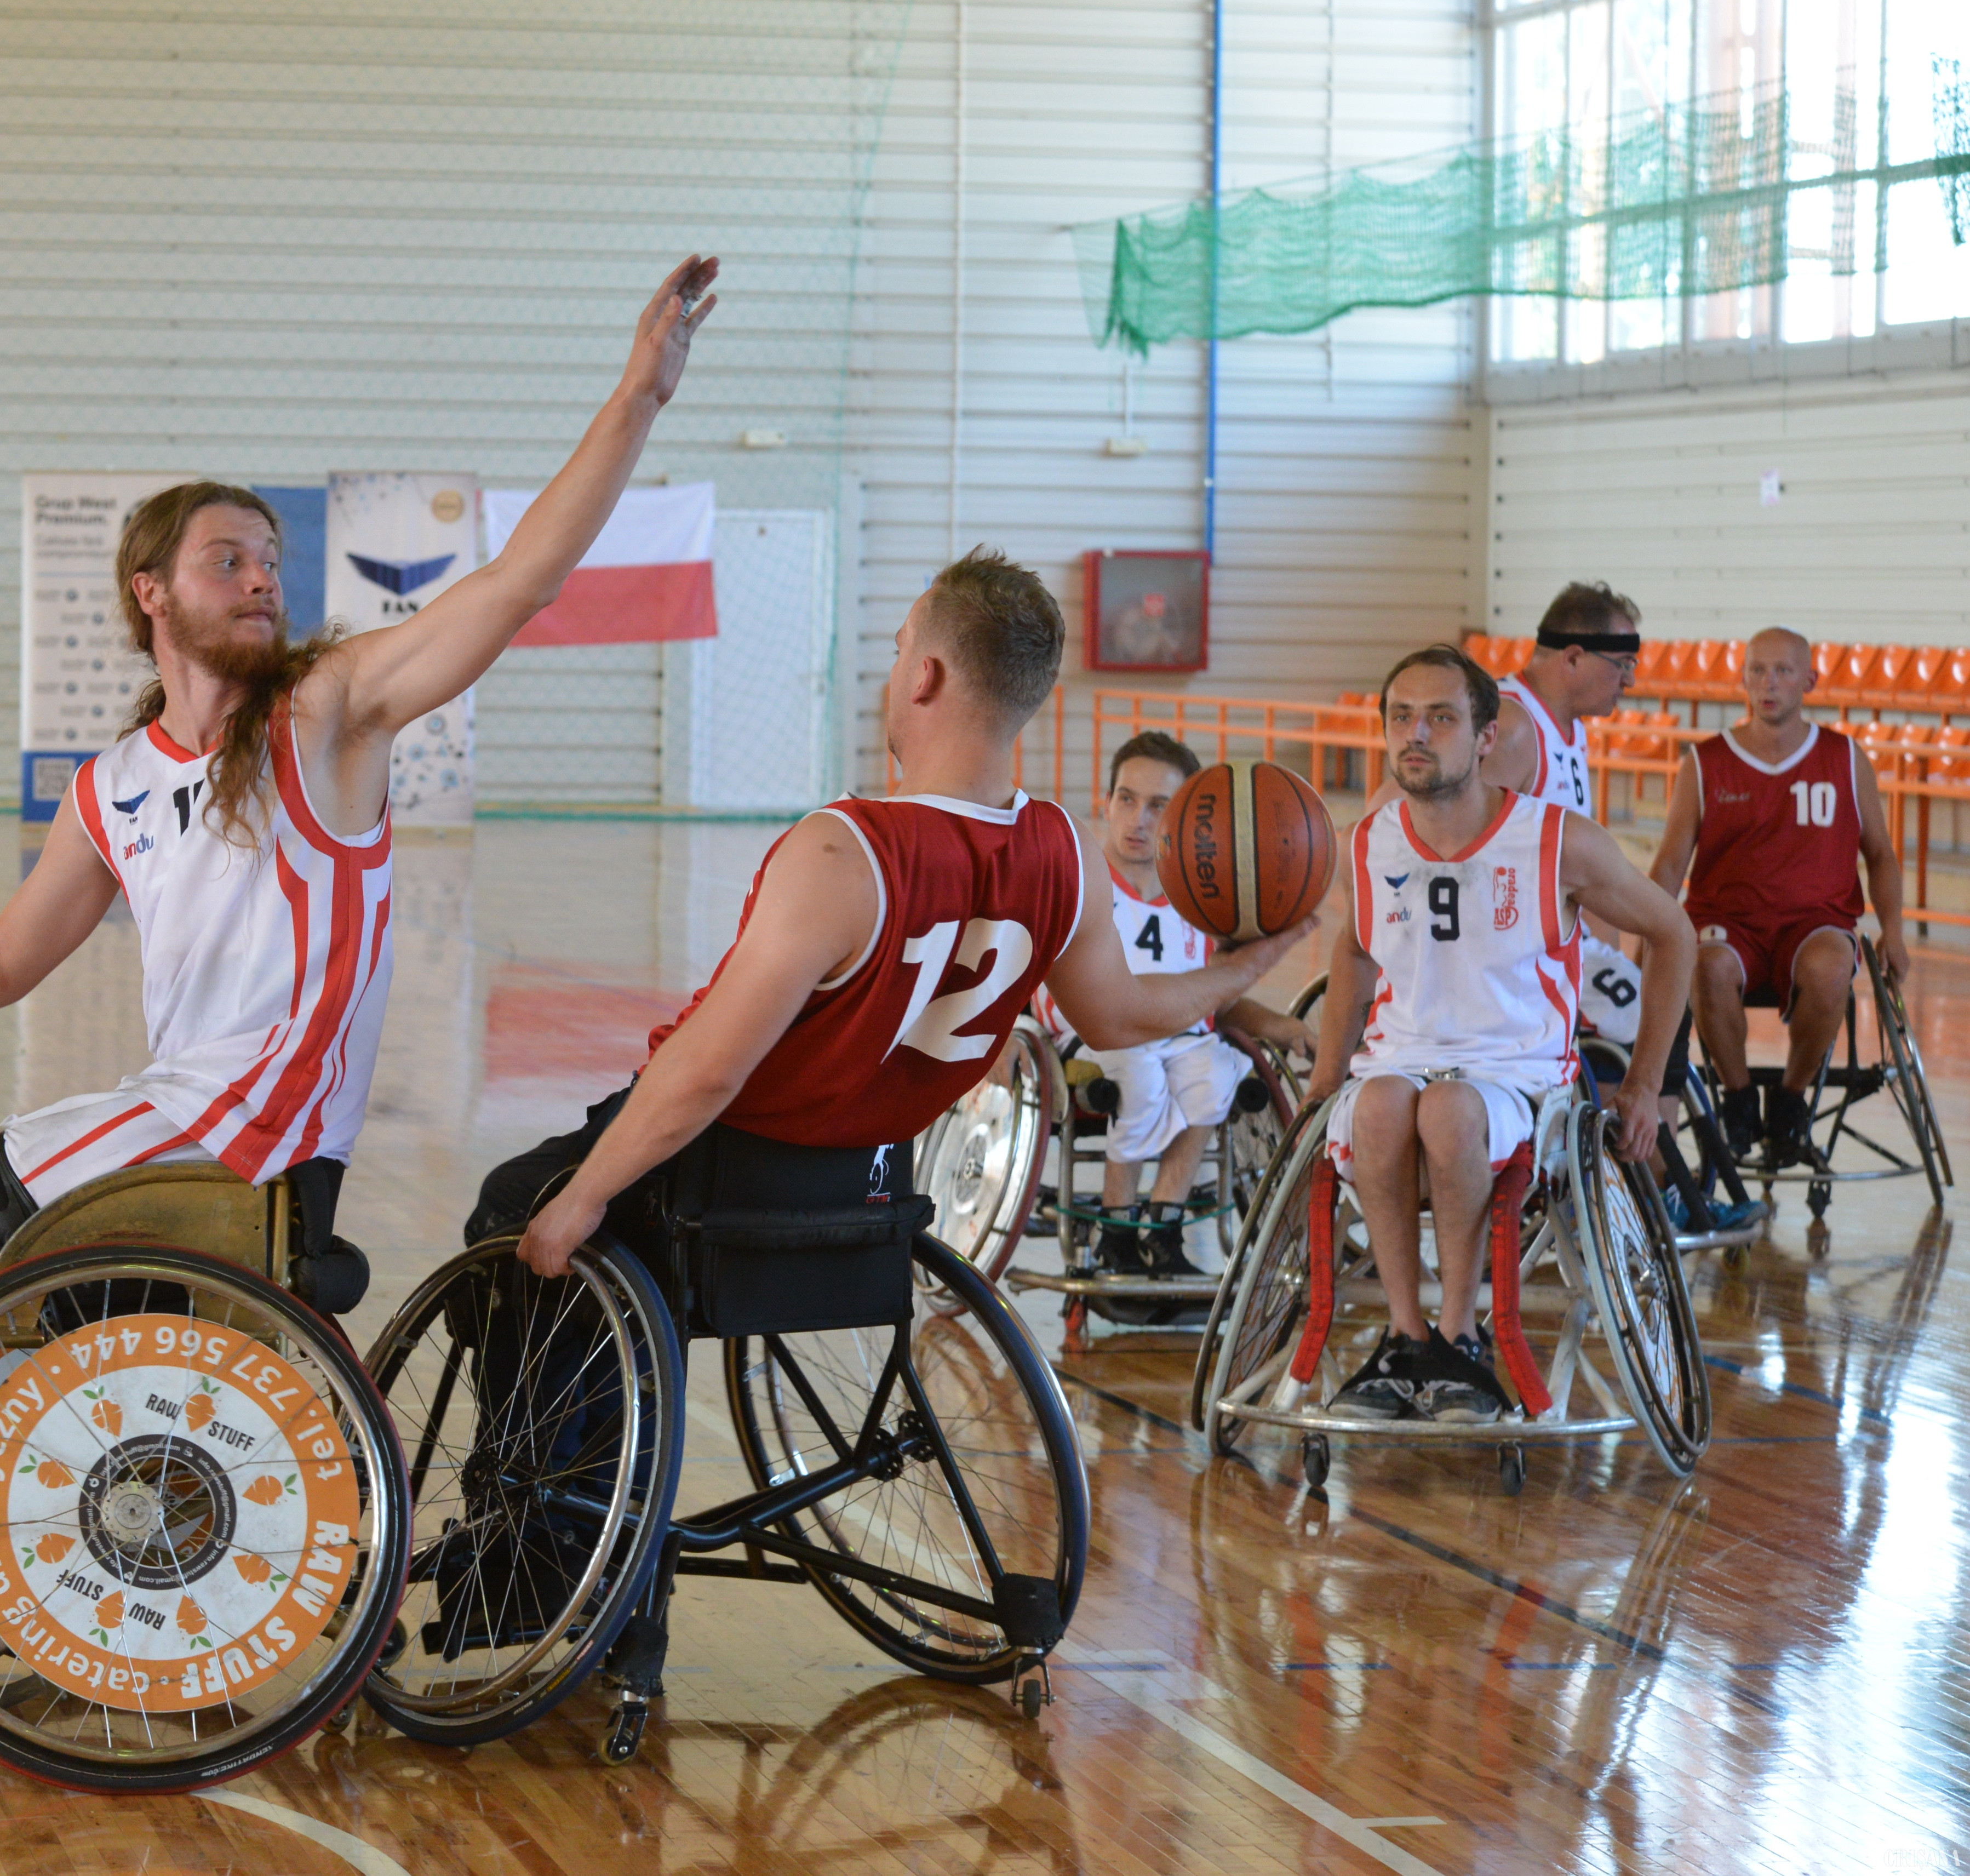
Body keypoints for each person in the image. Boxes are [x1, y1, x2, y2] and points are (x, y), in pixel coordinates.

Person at [0, 256, 722, 1737]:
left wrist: (637, 396)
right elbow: (5, 963)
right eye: (228, 558)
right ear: (150, 592)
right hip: (175, 1118)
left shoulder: (324, 714)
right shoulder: (113, 781)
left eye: (269, 560)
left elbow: (519, 583)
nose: (261, 577)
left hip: (246, 1126)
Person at [497, 558, 1315, 1282]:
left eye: (897, 652)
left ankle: (579, 1418)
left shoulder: (843, 849)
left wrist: (585, 1196)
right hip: (878, 1182)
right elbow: (1123, 1016)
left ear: (924, 675)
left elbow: (711, 1070)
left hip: (732, 1166)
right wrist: (1251, 959)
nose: (892, 673)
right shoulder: (1065, 851)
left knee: (512, 1204)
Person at [1307, 646, 1696, 1425]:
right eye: (1401, 717)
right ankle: (1406, 1336)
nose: (1417, 734)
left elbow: (1674, 933)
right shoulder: (1368, 840)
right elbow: (1352, 951)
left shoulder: (1558, 840)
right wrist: (1325, 1071)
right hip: (1400, 1061)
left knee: (1451, 1110)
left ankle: (1460, 1333)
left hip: (1520, 1076)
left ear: (1487, 737)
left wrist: (1645, 1082)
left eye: (1440, 717)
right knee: (1377, 1105)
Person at [1645, 627, 1906, 1171]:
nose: (1768, 683)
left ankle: (1790, 1100)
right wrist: (1647, 934)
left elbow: (1881, 853)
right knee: (1706, 965)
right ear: (1742, 679)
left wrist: (1895, 932)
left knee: (1831, 968)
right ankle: (1738, 1099)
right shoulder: (1704, 762)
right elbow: (1669, 862)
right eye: (1757, 670)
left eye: (1783, 671)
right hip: (1727, 920)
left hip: (1815, 920)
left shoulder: (1843, 756)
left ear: (1809, 680)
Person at [1070, 730, 1313, 1282]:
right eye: (1127, 798)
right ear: (1106, 802)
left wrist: (1278, 1024)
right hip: (1097, 1037)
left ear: (1183, 821)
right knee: (1142, 1076)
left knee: (1216, 1072)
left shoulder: (1201, 904)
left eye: (1159, 805)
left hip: (1178, 1037)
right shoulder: (1079, 883)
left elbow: (1215, 1002)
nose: (1138, 819)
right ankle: (1115, 1228)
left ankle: (1164, 1227)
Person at [1481, 581, 1651, 1048]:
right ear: (1574, 658)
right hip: (1510, 956)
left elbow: (1580, 870)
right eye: (1623, 664)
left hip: (1554, 940)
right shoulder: (1512, 727)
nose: (1630, 681)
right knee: (1648, 1019)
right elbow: (1453, 854)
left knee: (1659, 1006)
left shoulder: (1569, 725)